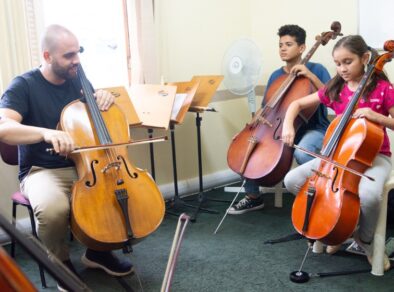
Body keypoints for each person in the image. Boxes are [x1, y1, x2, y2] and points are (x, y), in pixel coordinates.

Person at [0, 24, 133, 287]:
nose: (77, 60)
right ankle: (61, 264)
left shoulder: (77, 78)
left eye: (78, 52)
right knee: (52, 210)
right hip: (43, 170)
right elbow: (4, 128)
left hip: (85, 164)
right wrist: (46, 133)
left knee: (114, 192)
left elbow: (93, 119)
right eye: (69, 55)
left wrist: (102, 99)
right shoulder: (23, 85)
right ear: (47, 56)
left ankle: (98, 252)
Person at [282, 35, 394, 271]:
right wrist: (288, 125)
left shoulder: (383, 88)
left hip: (375, 157)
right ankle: (344, 230)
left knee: (370, 195)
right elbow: (297, 105)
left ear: (365, 58)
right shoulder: (336, 88)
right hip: (335, 158)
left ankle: (364, 240)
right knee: (292, 180)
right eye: (338, 63)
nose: (342, 69)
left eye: (348, 62)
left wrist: (377, 117)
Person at [228, 24, 331, 215]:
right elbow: (267, 107)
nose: (283, 48)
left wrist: (309, 75)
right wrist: (248, 129)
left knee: (303, 153)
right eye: (280, 44)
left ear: (301, 48)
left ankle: (318, 195)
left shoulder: (317, 69)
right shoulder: (276, 75)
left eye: (288, 44)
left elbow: (331, 95)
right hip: (277, 128)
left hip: (313, 128)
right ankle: (253, 197)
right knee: (247, 145)